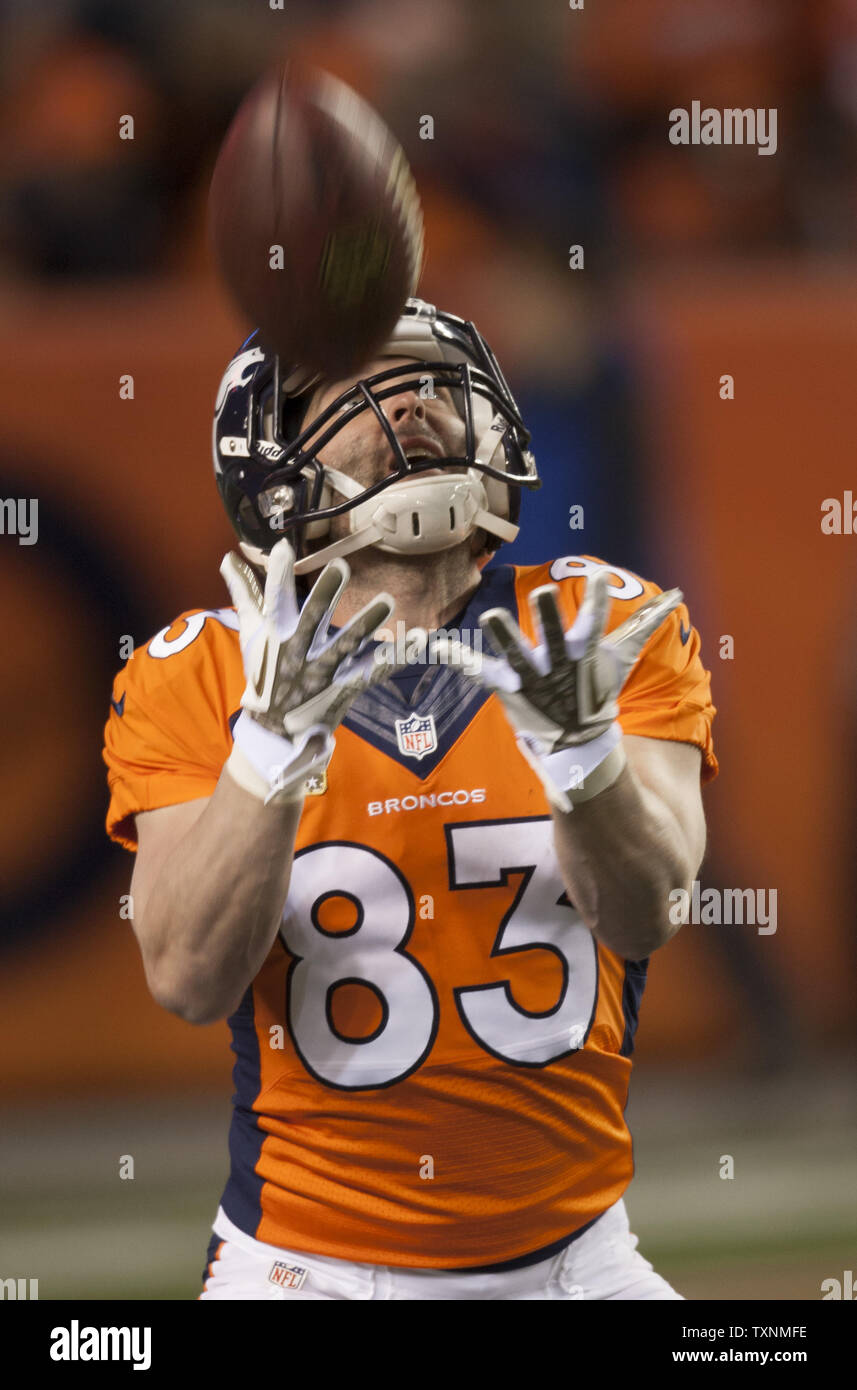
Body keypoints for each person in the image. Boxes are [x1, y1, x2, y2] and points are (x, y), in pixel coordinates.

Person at [103, 297, 717, 1300]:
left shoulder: (598, 625)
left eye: (437, 379)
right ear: (272, 452)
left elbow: (648, 909)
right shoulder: (204, 674)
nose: (420, 402)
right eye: (361, 383)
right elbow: (187, 974)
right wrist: (270, 752)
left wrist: (581, 760)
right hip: (306, 1270)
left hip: (578, 1261)